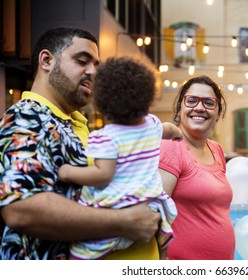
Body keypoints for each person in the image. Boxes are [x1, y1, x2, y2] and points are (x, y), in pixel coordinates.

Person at [0, 27, 160, 260]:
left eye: (96, 65)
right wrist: (124, 222)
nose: (93, 72)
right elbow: (21, 209)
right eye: (82, 61)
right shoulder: (27, 118)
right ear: (46, 61)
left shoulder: (72, 122)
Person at [58, 56, 183, 260]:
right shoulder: (152, 124)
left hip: (117, 210)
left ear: (102, 101)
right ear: (147, 97)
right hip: (151, 205)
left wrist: (69, 172)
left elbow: (103, 174)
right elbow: (168, 129)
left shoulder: (105, 137)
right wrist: (178, 133)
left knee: (78, 255)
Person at [158, 75, 235, 260]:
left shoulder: (216, 149)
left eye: (209, 102)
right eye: (191, 100)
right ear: (180, 108)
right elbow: (155, 215)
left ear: (218, 113)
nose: (199, 107)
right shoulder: (171, 146)